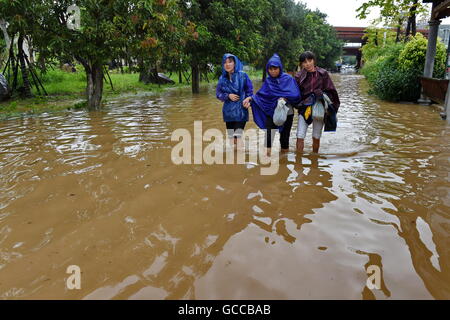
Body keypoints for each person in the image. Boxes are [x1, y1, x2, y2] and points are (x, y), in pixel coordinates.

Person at [245, 54, 301, 154]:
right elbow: (261, 96)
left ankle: (284, 163)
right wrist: (250, 98)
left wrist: (285, 98)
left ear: (280, 68)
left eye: (275, 68)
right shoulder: (268, 81)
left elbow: (296, 95)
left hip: (287, 113)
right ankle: (267, 160)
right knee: (268, 137)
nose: (273, 71)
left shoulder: (288, 79)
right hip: (271, 112)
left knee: (284, 139)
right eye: (270, 69)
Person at [294, 51, 340, 153]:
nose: (308, 64)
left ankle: (315, 159)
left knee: (316, 136)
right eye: (304, 62)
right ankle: (298, 160)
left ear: (314, 60)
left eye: (309, 60)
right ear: (301, 64)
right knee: (300, 135)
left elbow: (331, 91)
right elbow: (294, 93)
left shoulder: (323, 73)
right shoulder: (298, 76)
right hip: (304, 107)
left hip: (319, 107)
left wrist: (322, 95)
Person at [216, 53, 254, 146]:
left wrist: (248, 100)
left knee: (238, 136)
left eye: (230, 62)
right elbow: (218, 94)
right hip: (228, 112)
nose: (227, 64)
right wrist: (228, 96)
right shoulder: (222, 79)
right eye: (225, 62)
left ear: (235, 63)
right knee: (231, 138)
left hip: (241, 111)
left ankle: (239, 158)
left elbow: (250, 91)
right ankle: (233, 158)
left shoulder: (243, 76)